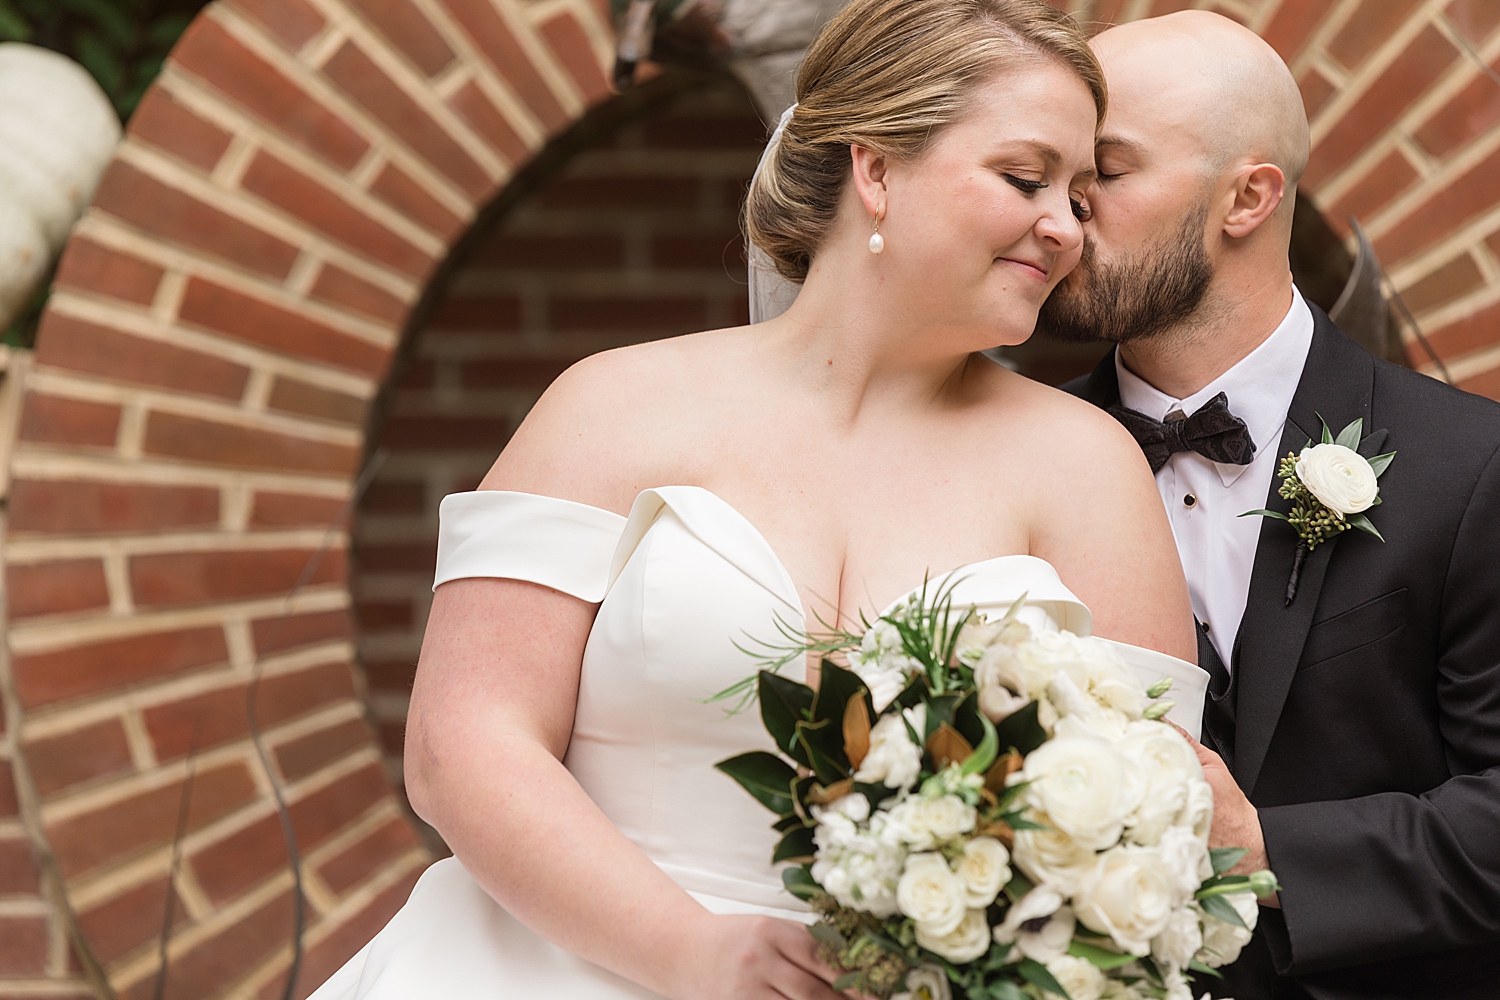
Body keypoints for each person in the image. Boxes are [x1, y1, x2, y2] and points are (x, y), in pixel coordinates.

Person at [307, 1, 1200, 997]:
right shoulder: (612, 404)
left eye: (1081, 194)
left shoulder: (1090, 467)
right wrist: (689, 952)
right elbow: (462, 745)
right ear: (877, 170)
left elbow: (1151, 815)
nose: (1063, 226)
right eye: (1026, 177)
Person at [1050, 11, 1500, 999]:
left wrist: (1269, 847)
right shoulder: (1010, 464)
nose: (1062, 215)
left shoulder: (1472, 467)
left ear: (1248, 197)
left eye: (1107, 174)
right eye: (1057, 180)